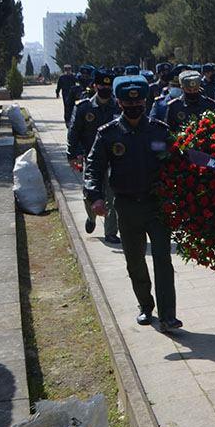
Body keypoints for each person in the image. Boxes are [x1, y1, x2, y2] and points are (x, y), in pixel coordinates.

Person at [84, 75, 181, 331]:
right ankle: (146, 306)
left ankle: (168, 315)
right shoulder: (109, 134)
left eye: (139, 103)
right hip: (126, 207)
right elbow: (93, 167)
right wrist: (95, 196)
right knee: (135, 261)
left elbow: (173, 163)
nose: (135, 107)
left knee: (162, 259)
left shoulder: (159, 131)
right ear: (119, 103)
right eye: (128, 104)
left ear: (146, 102)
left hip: (156, 205)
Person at [67, 68, 121, 243]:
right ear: (95, 86)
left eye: (108, 86)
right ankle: (91, 217)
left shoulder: (118, 107)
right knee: (89, 193)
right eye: (101, 85)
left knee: (112, 195)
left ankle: (110, 231)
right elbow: (74, 132)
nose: (105, 89)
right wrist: (72, 154)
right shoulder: (84, 107)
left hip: (114, 159)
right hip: (91, 158)